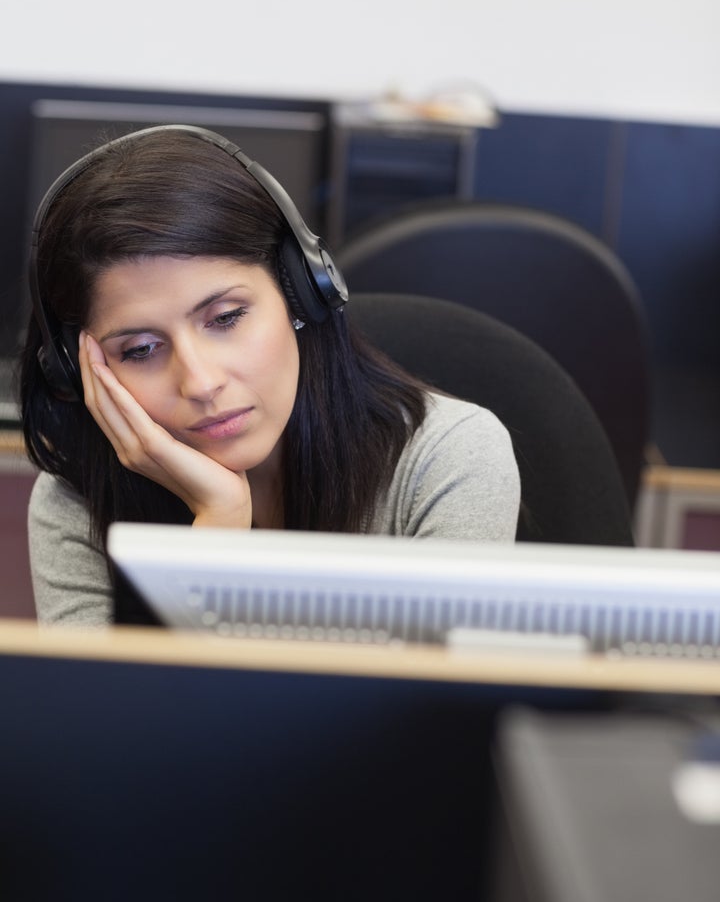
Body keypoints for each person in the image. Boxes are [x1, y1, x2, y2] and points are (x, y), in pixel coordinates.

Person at [20, 125, 521, 625]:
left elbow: (434, 703)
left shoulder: (445, 460)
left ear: (302, 292)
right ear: (74, 367)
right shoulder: (77, 499)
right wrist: (218, 527)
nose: (200, 383)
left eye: (226, 318)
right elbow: (119, 707)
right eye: (142, 349)